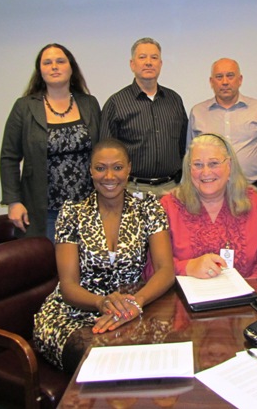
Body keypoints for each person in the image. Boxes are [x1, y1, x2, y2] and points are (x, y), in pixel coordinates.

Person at [33, 138, 175, 373]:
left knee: (157, 357)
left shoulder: (149, 208)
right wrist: (102, 303)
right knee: (99, 362)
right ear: (91, 170)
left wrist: (136, 303)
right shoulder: (72, 212)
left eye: (117, 167)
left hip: (129, 310)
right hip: (72, 314)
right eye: (100, 168)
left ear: (129, 168)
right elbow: (68, 285)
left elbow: (165, 270)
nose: (109, 176)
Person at [0, 43, 101, 240]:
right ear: (40, 71)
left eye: (60, 61)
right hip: (44, 210)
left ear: (71, 68)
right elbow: (9, 157)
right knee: (46, 267)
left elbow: (103, 151)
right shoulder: (24, 107)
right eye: (47, 62)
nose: (54, 66)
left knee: (85, 268)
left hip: (88, 208)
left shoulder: (89, 104)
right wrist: (13, 201)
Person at [160, 133, 257, 278]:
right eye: (198, 165)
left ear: (229, 165)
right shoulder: (169, 207)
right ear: (188, 169)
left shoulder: (255, 204)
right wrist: (187, 267)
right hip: (185, 297)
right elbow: (153, 267)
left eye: (214, 163)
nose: (206, 172)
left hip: (244, 296)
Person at [100, 37, 187, 198]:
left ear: (160, 64)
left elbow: (183, 145)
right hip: (132, 189)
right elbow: (106, 154)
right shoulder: (116, 103)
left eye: (154, 58)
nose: (148, 62)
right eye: (142, 57)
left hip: (171, 190)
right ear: (132, 64)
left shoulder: (174, 100)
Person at [187, 58, 257, 199]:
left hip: (252, 190)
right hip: (211, 193)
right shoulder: (198, 113)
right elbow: (190, 158)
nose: (225, 82)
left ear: (240, 80)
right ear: (211, 82)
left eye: (230, 76)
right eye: (219, 77)